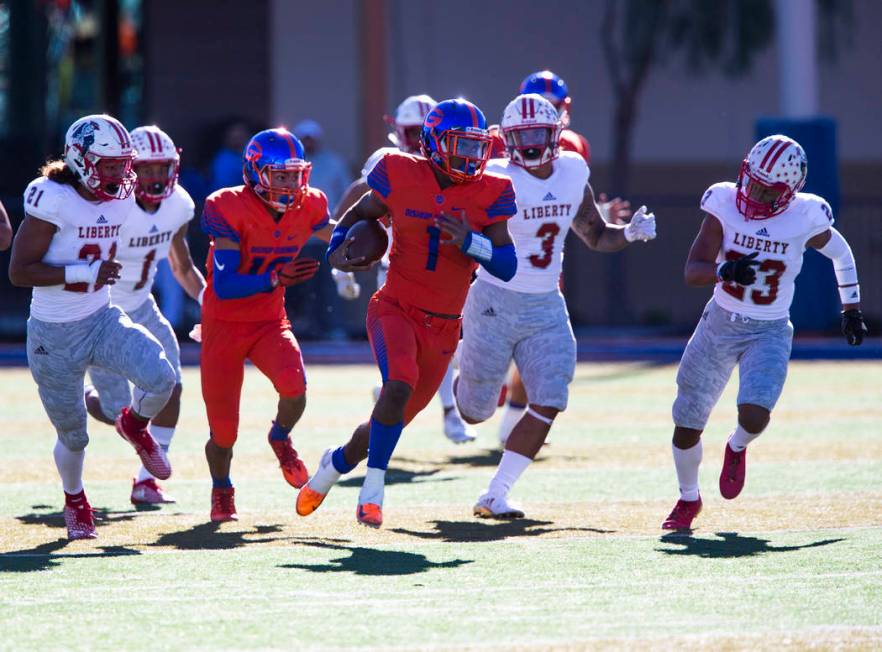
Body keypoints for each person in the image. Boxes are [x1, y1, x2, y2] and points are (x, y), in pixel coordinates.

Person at [297, 99, 518, 528]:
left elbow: (507, 265)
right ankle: (372, 495)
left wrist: (470, 242)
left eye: (477, 148)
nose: (472, 158)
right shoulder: (399, 171)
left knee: (390, 419)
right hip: (395, 307)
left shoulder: (491, 190)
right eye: (462, 146)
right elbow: (358, 214)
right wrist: (337, 251)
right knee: (396, 386)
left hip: (445, 327)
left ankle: (334, 464)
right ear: (435, 144)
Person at [456, 94, 657, 518]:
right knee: (473, 413)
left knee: (551, 396)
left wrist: (631, 233)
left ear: (555, 134)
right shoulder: (491, 176)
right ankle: (452, 362)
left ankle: (496, 493)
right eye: (521, 136)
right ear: (506, 139)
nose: (529, 144)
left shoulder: (572, 170)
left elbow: (596, 235)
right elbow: (462, 241)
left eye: (537, 134)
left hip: (546, 302)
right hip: (493, 298)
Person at [662, 135, 868, 530]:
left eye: (764, 189)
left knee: (755, 414)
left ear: (789, 193)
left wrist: (851, 309)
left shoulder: (804, 217)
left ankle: (736, 446)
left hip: (770, 328)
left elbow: (841, 253)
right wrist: (724, 271)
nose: (751, 193)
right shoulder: (723, 205)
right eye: (750, 180)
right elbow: (693, 270)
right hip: (720, 322)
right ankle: (688, 499)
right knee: (687, 421)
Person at [8, 114, 177, 540]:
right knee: (75, 436)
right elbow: (19, 271)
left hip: (102, 318)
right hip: (53, 335)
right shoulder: (52, 198)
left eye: (124, 164)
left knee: (162, 377)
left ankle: (135, 425)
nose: (121, 173)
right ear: (82, 160)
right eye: (110, 165)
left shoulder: (123, 199)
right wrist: (85, 273)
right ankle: (75, 499)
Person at [199, 127, 338, 523]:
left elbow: (339, 234)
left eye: (295, 174)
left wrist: (378, 238)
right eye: (280, 175)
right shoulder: (225, 205)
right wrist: (276, 278)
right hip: (224, 325)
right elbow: (225, 286)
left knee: (296, 387)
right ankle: (222, 488)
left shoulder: (310, 204)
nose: (290, 183)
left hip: (269, 321)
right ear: (256, 172)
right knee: (223, 432)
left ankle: (280, 436)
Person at [330, 94, 478, 444]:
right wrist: (342, 268)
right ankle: (447, 413)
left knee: (447, 346)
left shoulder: (456, 166)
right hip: (397, 268)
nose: (414, 141)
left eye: (419, 132)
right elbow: (354, 201)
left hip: (447, 267)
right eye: (409, 132)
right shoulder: (391, 162)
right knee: (421, 349)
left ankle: (414, 401)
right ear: (396, 129)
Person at [494, 70, 630, 446]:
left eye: (554, 108)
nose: (546, 117)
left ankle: (513, 420)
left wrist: (597, 214)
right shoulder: (496, 140)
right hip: (498, 255)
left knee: (536, 342)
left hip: (543, 260)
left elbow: (565, 199)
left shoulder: (573, 146)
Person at [84, 125, 205, 505]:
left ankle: (146, 481)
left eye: (161, 168)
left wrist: (210, 302)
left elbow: (181, 264)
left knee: (172, 385)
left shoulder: (179, 205)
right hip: (99, 311)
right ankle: (81, 394)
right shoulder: (108, 206)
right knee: (114, 412)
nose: (155, 177)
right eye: (147, 168)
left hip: (141, 304)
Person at [294, 119, 351, 211]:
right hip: (298, 217)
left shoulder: (335, 163)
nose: (308, 143)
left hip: (328, 217)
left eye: (311, 139)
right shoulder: (291, 164)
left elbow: (346, 191)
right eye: (305, 139)